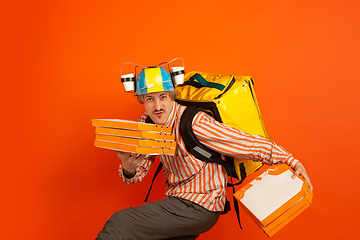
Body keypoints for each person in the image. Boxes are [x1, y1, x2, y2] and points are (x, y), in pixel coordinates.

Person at [96, 66, 313, 240]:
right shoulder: (147, 125)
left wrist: (290, 160)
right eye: (150, 98)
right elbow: (136, 176)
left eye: (163, 96)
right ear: (142, 101)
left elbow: (244, 142)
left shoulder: (195, 122)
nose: (158, 106)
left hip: (201, 205)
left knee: (120, 222)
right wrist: (129, 170)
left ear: (172, 96)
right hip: (178, 201)